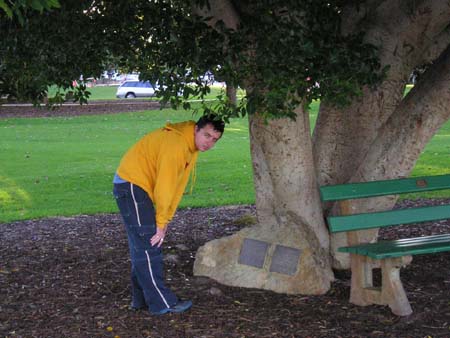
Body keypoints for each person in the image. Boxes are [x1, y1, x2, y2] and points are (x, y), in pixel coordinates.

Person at [112, 114, 224, 315]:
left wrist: (166, 219)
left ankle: (141, 300)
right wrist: (160, 222)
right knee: (150, 244)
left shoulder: (190, 146)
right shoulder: (177, 145)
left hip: (134, 187)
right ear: (196, 129)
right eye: (207, 135)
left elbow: (177, 187)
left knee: (142, 245)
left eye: (214, 139)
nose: (209, 142)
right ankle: (162, 302)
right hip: (132, 186)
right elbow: (165, 186)